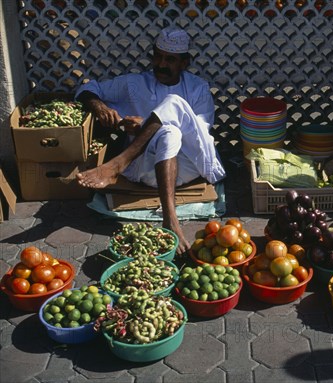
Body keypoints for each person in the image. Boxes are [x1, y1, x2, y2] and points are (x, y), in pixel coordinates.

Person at [76, 26, 226, 255]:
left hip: (189, 166)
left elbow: (199, 133)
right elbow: (88, 89)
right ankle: (171, 220)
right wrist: (101, 107)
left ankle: (117, 164)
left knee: (173, 112)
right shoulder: (135, 83)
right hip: (146, 170)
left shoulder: (197, 88)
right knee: (169, 133)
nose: (161, 64)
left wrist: (147, 125)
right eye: (157, 56)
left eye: (170, 60)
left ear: (184, 63)